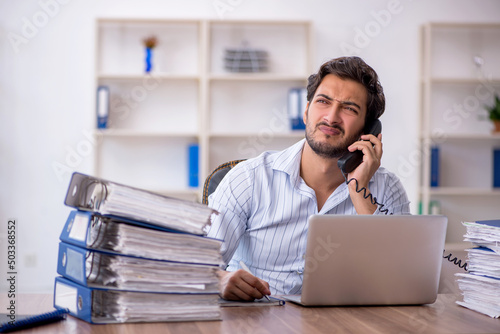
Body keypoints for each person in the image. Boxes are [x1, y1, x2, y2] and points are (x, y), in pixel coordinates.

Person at [207, 56, 411, 301]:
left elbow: (402, 280)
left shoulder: (388, 189)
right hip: (260, 318)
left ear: (368, 131)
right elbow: (197, 266)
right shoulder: (247, 179)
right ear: (306, 112)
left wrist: (360, 192)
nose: (331, 117)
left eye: (349, 108)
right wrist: (219, 279)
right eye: (323, 102)